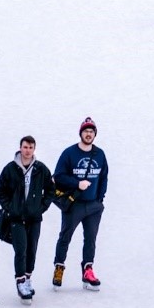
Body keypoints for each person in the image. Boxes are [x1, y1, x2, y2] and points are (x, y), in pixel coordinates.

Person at [0, 136, 54, 300]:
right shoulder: (10, 169)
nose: (27, 150)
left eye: (31, 147)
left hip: (34, 218)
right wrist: (10, 208)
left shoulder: (41, 169)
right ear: (20, 148)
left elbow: (51, 189)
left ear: (34, 149)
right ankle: (20, 281)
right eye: (25, 147)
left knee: (32, 250)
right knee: (21, 249)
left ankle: (28, 279)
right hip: (16, 218)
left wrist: (41, 207)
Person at [52, 118, 108, 290]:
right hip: (74, 205)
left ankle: (88, 271)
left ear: (95, 134)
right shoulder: (69, 153)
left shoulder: (99, 154)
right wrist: (77, 184)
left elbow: (104, 177)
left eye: (91, 131)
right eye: (86, 131)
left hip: (93, 206)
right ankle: (59, 268)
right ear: (81, 133)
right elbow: (58, 177)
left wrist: (99, 199)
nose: (89, 134)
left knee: (90, 240)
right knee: (65, 237)